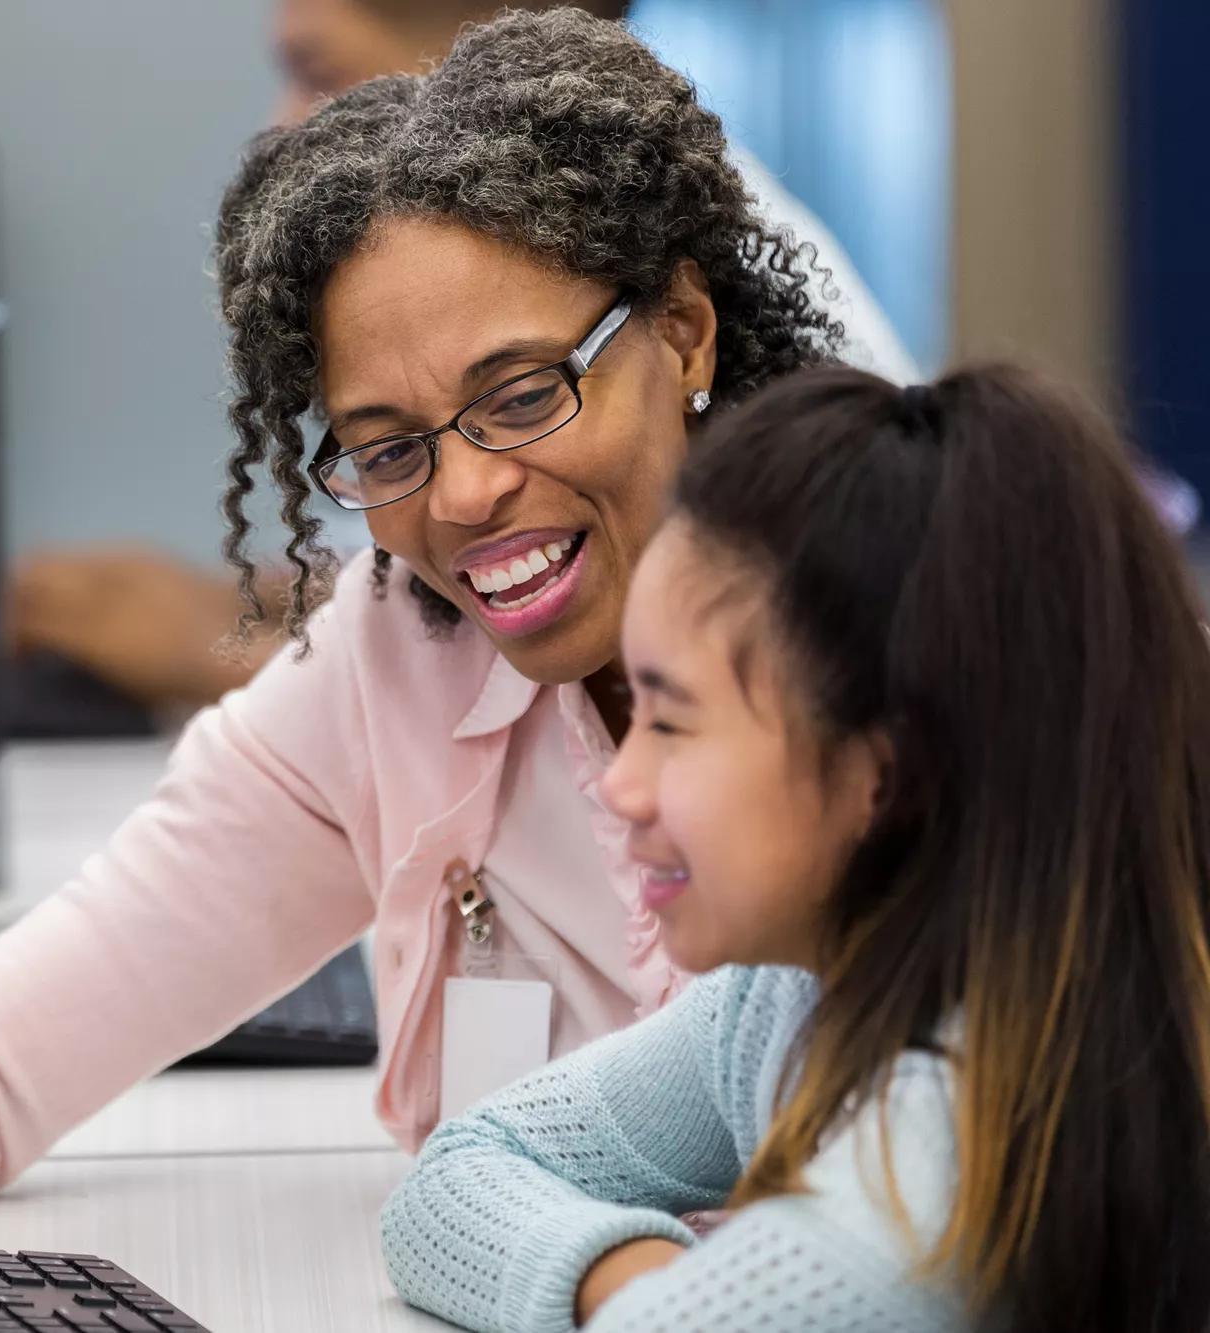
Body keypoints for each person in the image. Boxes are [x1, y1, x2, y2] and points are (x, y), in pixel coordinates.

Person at [0, 10, 853, 1204]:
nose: (461, 493)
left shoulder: (884, 647)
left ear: (683, 334)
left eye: (519, 395)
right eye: (385, 448)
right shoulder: (393, 656)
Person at [379, 364, 1210, 1332]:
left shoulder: (925, 1195)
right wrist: (638, 1275)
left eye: (675, 725)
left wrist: (674, 1301)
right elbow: (452, 1176)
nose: (619, 782)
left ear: (883, 776)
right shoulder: (792, 989)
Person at [6, 0, 919, 712]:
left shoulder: (691, 278)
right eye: (389, 447)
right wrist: (224, 615)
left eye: (311, 69)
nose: (278, 125)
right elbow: (422, 582)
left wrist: (211, 647)